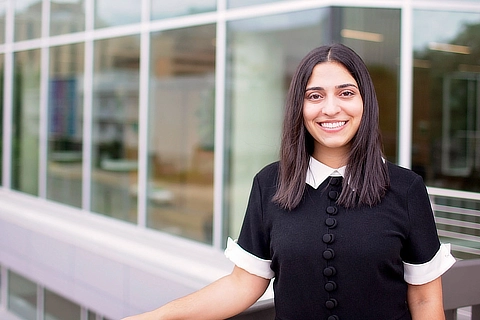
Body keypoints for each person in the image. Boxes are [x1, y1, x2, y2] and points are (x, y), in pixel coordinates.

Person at [122, 43, 456, 320]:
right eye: (314, 96)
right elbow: (242, 285)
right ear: (299, 107)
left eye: (346, 92)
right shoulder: (269, 184)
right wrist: (156, 317)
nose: (330, 108)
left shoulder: (406, 189)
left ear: (365, 102)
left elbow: (426, 301)